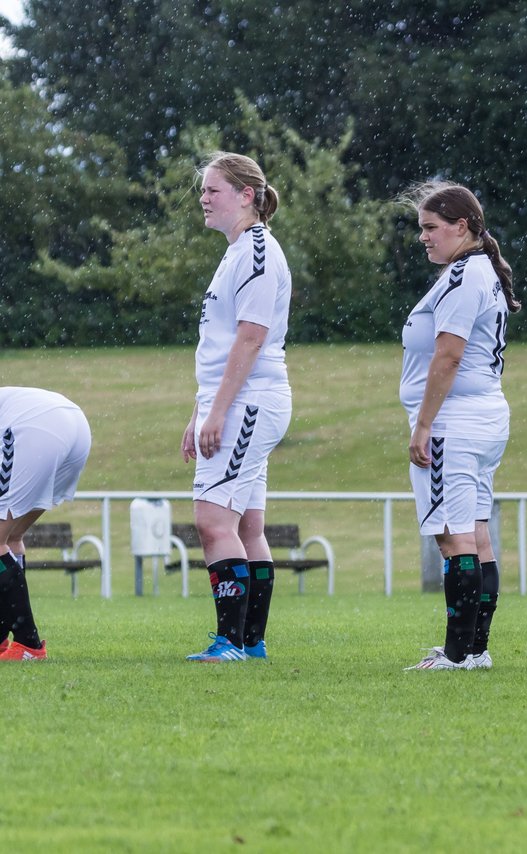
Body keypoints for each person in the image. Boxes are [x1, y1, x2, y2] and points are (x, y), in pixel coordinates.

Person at [398, 182, 520, 672]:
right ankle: (475, 650)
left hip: (456, 420)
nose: (423, 238)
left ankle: (455, 653)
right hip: (484, 415)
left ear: (461, 226)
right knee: (476, 533)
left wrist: (424, 425)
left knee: (453, 536)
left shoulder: (463, 276)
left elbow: (448, 355)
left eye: (431, 228)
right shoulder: (480, 270)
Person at [182, 151, 292, 663]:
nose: (203, 198)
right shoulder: (237, 251)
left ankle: (231, 642)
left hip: (249, 399)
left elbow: (250, 337)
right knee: (247, 525)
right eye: (203, 190)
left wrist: (220, 410)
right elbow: (223, 342)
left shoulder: (256, 251)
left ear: (247, 195)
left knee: (212, 522)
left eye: (213, 189)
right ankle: (250, 642)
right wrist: (201, 410)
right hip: (236, 399)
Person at [0, 387, 92, 662]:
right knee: (11, 537)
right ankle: (4, 639)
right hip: (71, 422)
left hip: (37, 425)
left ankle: (29, 644)